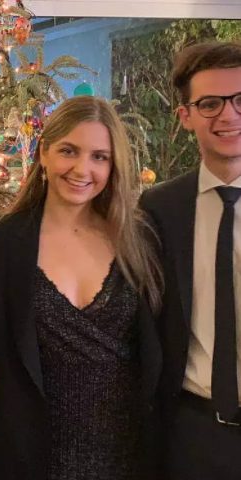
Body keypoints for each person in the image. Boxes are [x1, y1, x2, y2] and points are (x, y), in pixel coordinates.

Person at [0, 96, 163, 480]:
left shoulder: (140, 240)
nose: (82, 169)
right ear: (44, 153)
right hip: (26, 458)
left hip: (127, 456)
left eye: (99, 157)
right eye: (69, 151)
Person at [139, 41, 241, 480]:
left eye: (240, 100)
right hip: (192, 432)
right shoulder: (159, 208)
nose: (228, 115)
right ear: (185, 116)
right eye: (210, 103)